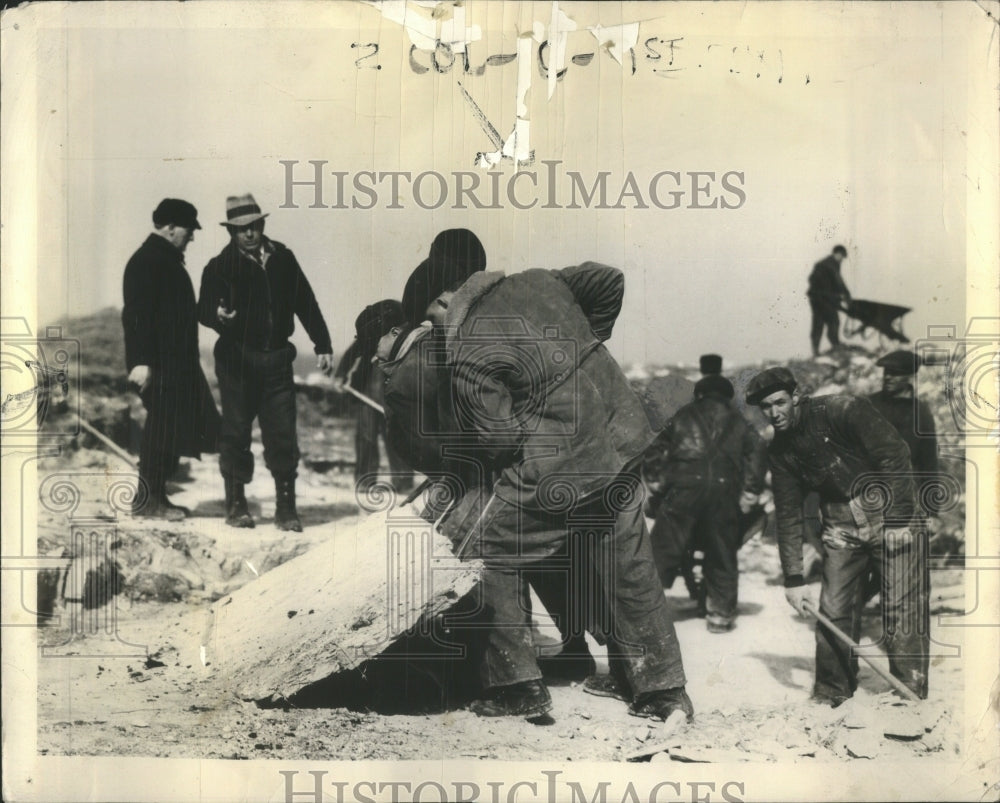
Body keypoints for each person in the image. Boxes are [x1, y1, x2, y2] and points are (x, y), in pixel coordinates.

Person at [409, 232, 691, 722]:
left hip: (561, 465)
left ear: (443, 298)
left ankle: (517, 686)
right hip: (619, 435)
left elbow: (499, 441)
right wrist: (585, 343)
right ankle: (661, 689)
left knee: (484, 551)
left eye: (430, 318)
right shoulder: (541, 281)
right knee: (628, 559)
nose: (432, 328)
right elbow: (608, 280)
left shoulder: (467, 351)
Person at [746, 366, 929, 705]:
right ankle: (833, 691)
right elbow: (788, 514)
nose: (775, 413)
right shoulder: (780, 451)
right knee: (832, 610)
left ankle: (909, 696)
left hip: (889, 515)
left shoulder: (842, 410)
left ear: (796, 397)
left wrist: (900, 520)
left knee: (901, 608)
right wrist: (793, 578)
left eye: (780, 402)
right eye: (766, 408)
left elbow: (894, 453)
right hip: (840, 527)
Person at [197, 194, 333, 531]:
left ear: (262, 225)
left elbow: (306, 300)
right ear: (231, 231)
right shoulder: (218, 266)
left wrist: (323, 344)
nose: (248, 234)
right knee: (237, 432)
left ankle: (286, 508)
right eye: (240, 229)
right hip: (236, 361)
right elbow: (201, 310)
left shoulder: (283, 258)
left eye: (253, 226)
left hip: (276, 361)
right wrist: (217, 315)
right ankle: (237, 503)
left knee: (282, 434)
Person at [122, 198, 220, 521]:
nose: (192, 236)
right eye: (189, 230)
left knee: (170, 429)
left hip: (175, 366)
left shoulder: (164, 259)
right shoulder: (147, 261)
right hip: (158, 366)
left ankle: (155, 498)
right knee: (161, 430)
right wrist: (140, 362)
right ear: (171, 227)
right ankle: (148, 502)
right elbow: (136, 316)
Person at [644, 374, 766, 633]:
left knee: (662, 551)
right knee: (722, 553)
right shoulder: (739, 421)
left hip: (683, 490)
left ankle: (645, 613)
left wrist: (656, 482)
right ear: (727, 396)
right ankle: (720, 616)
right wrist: (751, 492)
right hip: (724, 493)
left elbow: (654, 450)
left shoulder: (683, 415)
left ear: (699, 394)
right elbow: (757, 453)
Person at [334, 300, 413, 495]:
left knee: (395, 435)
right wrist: (341, 374)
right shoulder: (372, 333)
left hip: (393, 392)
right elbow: (353, 352)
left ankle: (403, 481)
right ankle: (364, 480)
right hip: (367, 390)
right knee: (366, 436)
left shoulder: (408, 335)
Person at [808, 245, 851, 356]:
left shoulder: (831, 264)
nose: (842, 259)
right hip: (821, 299)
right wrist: (844, 295)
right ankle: (832, 345)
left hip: (821, 299)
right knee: (829, 322)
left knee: (824, 322)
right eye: (842, 256)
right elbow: (836, 282)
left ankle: (821, 348)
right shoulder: (829, 265)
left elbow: (837, 282)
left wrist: (844, 295)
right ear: (836, 253)